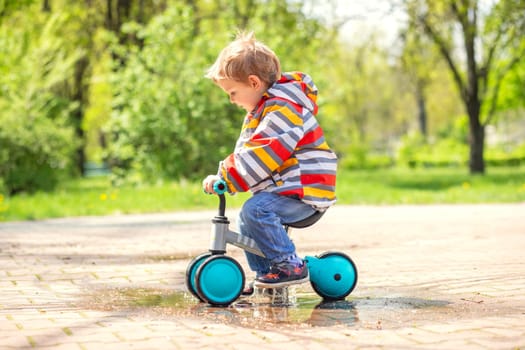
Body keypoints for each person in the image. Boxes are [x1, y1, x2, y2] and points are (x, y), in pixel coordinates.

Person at [202, 31, 337, 291]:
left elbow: (263, 152)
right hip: (286, 190)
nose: (231, 101)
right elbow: (247, 150)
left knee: (256, 210)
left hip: (305, 192)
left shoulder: (283, 109)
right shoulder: (262, 111)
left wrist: (227, 178)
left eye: (232, 92)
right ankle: (267, 274)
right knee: (247, 218)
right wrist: (225, 173)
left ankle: (289, 264)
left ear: (253, 83)